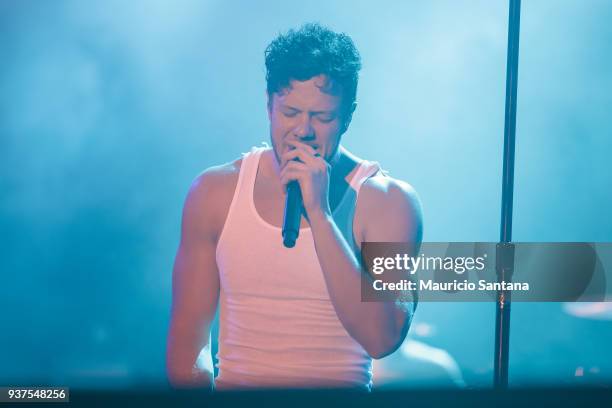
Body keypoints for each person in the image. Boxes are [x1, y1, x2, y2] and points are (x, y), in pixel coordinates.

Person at [166, 22, 423, 391]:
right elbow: (187, 349)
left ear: (348, 115)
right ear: (269, 104)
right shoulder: (215, 193)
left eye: (322, 117)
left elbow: (383, 338)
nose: (303, 130)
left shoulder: (387, 202)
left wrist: (320, 215)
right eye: (290, 113)